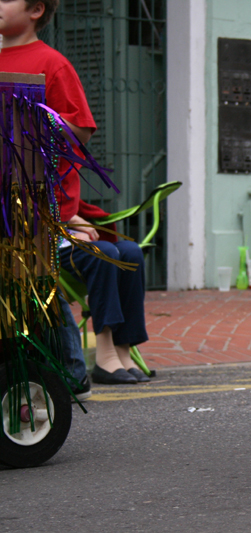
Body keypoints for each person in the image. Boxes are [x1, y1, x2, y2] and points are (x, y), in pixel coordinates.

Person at [0, 0, 150, 386]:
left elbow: (79, 131)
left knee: (129, 253)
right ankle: (100, 353)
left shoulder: (52, 63)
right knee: (104, 256)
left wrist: (29, 122)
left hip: (42, 207)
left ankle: (120, 349)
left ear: (36, 9)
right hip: (22, 218)